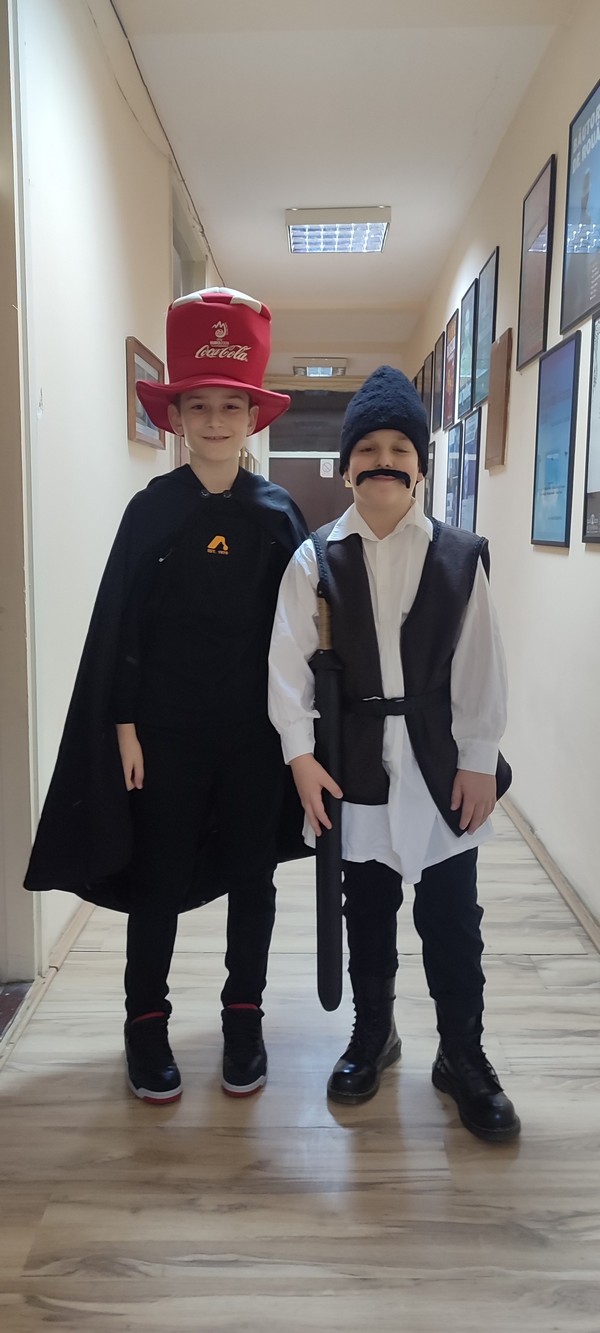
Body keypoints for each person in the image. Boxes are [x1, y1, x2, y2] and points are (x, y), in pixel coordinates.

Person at [25, 288, 308, 1104]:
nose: (216, 420)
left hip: (254, 739)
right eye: (200, 405)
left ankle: (244, 1016)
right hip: (164, 736)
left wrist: (303, 741)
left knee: (254, 878)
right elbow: (122, 626)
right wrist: (122, 724)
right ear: (176, 415)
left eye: (230, 405)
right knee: (158, 878)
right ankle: (144, 1022)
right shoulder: (151, 512)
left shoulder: (278, 515)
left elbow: (301, 639)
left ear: (251, 418)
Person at [268, 364, 520, 1143]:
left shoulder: (459, 556)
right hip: (356, 764)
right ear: (346, 465)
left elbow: (480, 664)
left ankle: (462, 1053)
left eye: (399, 449)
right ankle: (374, 1033)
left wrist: (479, 755)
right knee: (368, 908)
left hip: (440, 765)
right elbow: (286, 665)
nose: (384, 461)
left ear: (420, 463)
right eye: (368, 449)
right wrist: (301, 756)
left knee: (453, 920)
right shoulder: (315, 558)